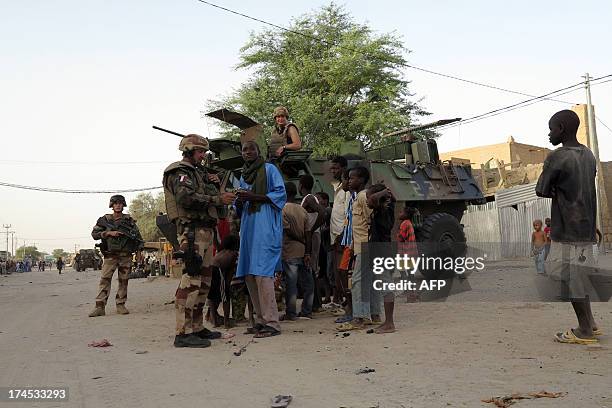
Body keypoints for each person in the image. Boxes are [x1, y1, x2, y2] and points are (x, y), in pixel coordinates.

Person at [163, 134, 236, 348]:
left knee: (204, 282)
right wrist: (216, 199)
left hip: (205, 230)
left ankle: (197, 327)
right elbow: (185, 198)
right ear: (188, 151)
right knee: (191, 280)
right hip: (191, 231)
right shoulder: (180, 172)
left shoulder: (199, 173)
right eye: (200, 152)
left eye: (204, 152)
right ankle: (182, 333)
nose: (203, 156)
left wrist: (214, 183)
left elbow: (213, 191)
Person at [535, 109, 600, 345]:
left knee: (567, 276)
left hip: (567, 228)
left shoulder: (557, 156)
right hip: (587, 227)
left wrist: (555, 189)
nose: (549, 133)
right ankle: (591, 322)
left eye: (551, 128)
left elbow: (541, 189)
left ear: (561, 128)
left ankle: (584, 330)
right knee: (579, 276)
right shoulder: (589, 155)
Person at [235, 140, 287, 338]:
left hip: (266, 228)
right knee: (249, 275)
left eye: (251, 149)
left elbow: (280, 195)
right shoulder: (243, 175)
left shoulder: (270, 169)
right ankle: (260, 320)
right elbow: (239, 209)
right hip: (248, 230)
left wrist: (253, 196)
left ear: (259, 152)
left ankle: (272, 322)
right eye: (244, 150)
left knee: (263, 275)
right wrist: (239, 200)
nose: (248, 152)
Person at [338, 166, 382, 331]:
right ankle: (374, 314)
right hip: (363, 245)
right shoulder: (357, 197)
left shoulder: (363, 197)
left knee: (357, 281)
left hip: (366, 246)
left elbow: (370, 221)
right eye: (349, 178)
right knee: (370, 281)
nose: (349, 181)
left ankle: (359, 318)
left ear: (362, 180)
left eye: (352, 178)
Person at [89, 195, 144, 318]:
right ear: (112, 205)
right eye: (115, 203)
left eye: (120, 203)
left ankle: (120, 304)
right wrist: (108, 233)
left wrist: (139, 252)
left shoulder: (129, 220)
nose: (118, 205)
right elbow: (94, 234)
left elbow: (138, 239)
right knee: (105, 280)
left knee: (123, 281)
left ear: (123, 205)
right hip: (110, 256)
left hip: (126, 256)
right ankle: (99, 307)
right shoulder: (105, 219)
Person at [366, 184, 397, 334]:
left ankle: (390, 323)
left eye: (369, 198)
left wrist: (384, 192)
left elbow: (373, 200)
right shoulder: (384, 209)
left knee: (386, 286)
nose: (367, 201)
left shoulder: (384, 211)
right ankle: (387, 321)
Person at [280, 182, 313, 321]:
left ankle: (291, 313)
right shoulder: (302, 210)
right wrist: (307, 252)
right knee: (308, 283)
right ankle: (307, 310)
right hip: (303, 252)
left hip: (289, 251)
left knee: (291, 284)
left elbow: (287, 230)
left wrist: (300, 240)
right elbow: (309, 233)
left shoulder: (282, 210)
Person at [299, 175, 325, 312]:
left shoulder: (309, 198)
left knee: (311, 267)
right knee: (311, 267)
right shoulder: (309, 198)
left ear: (301, 185)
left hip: (313, 236)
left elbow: (322, 212)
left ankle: (315, 303)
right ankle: (316, 302)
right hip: (311, 235)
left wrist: (313, 228)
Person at [329, 156, 349, 306]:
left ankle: (347, 301)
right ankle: (338, 298)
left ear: (343, 168)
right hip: (335, 235)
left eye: (335, 168)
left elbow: (349, 213)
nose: (332, 170)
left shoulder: (347, 189)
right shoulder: (337, 187)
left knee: (343, 270)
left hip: (343, 236)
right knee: (337, 268)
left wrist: (342, 234)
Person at [209, 234, 240, 329]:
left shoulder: (221, 252)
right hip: (218, 271)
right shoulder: (233, 254)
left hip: (211, 269)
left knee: (213, 297)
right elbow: (229, 272)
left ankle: (214, 321)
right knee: (225, 297)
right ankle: (226, 322)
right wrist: (227, 285)